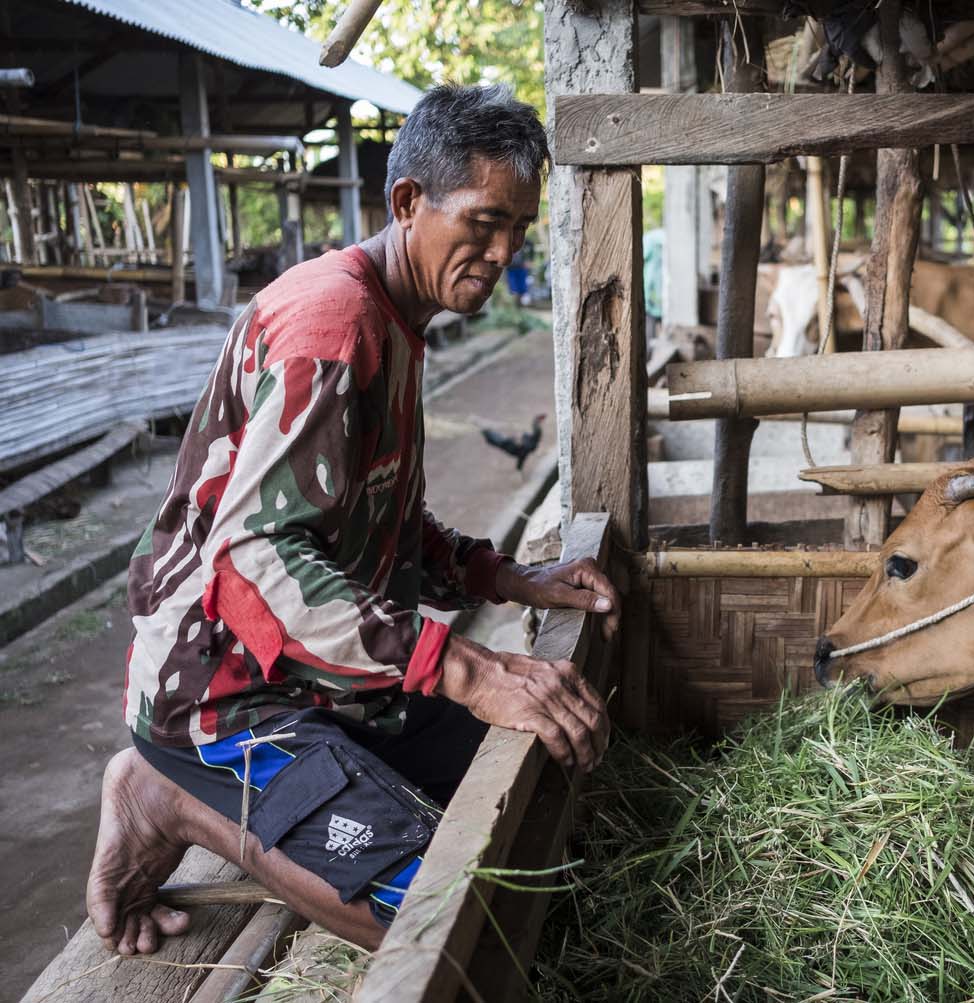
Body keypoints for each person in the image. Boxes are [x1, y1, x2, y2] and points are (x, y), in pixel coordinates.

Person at [85, 84, 617, 956]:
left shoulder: (400, 317)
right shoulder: (335, 324)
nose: (502, 250)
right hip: (229, 693)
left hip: (329, 671)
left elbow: (383, 519)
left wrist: (504, 576)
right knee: (453, 911)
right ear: (408, 203)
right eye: (484, 222)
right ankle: (170, 793)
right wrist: (465, 668)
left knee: (540, 789)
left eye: (519, 228)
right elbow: (255, 562)